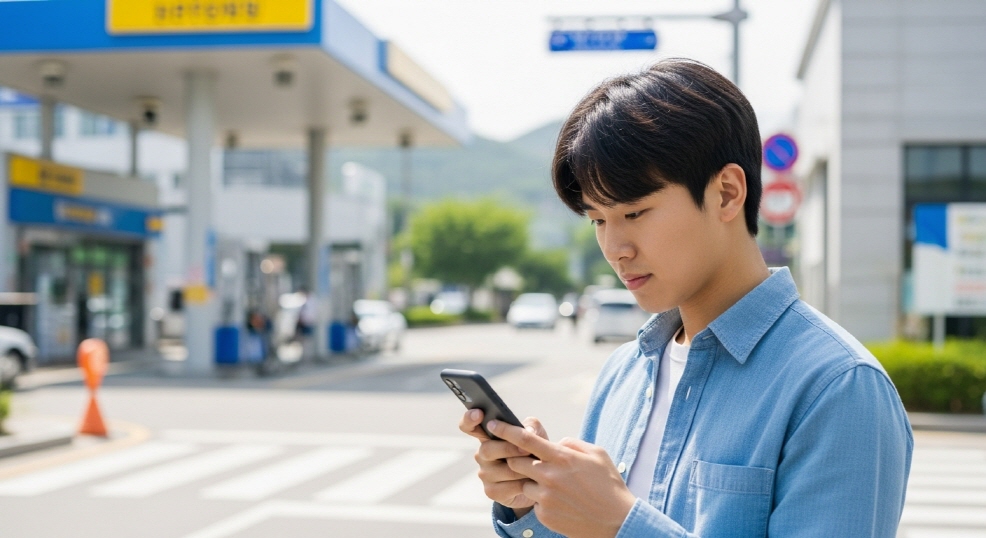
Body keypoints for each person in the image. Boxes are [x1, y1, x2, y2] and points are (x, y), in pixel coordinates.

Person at [458, 59, 912, 538]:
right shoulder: (625, 372)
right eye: (597, 219)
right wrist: (531, 506)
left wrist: (623, 524)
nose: (615, 248)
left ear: (727, 193)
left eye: (634, 212)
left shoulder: (838, 388)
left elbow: (617, 526)